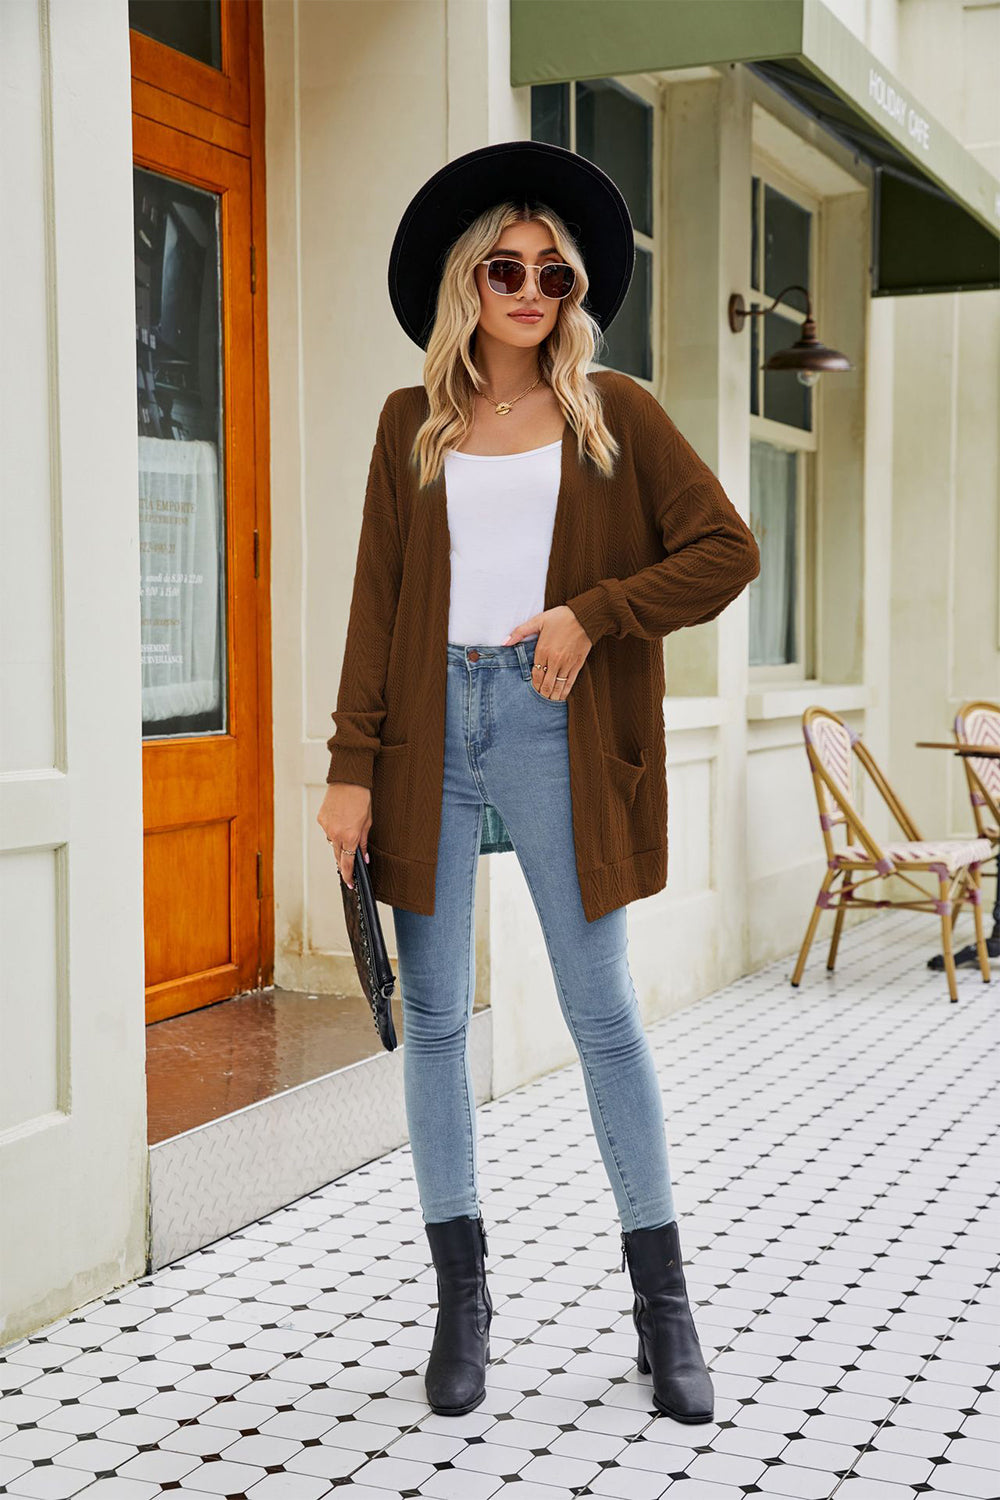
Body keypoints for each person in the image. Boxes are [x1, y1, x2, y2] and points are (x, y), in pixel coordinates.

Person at [317, 141, 760, 1425]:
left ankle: (664, 1311)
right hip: (424, 730)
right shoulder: (410, 424)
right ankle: (462, 1304)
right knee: (436, 1021)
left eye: (551, 273)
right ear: (467, 281)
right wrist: (349, 769)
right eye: (504, 270)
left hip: (554, 722)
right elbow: (376, 605)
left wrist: (594, 612)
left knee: (601, 1012)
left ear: (574, 292)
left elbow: (725, 550)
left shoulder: (614, 413)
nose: (528, 291)